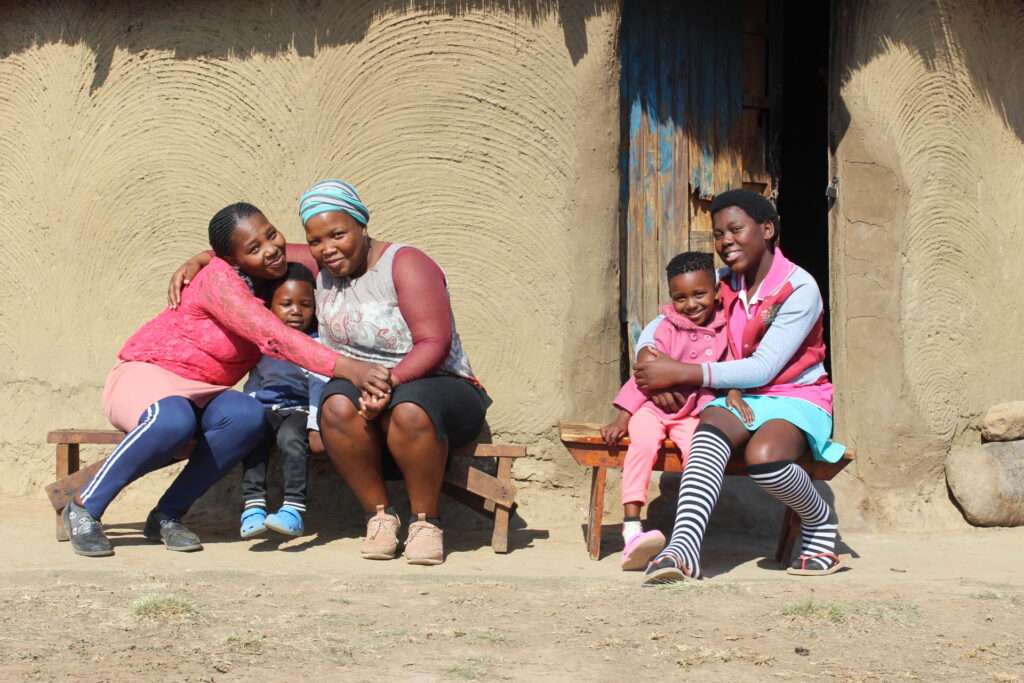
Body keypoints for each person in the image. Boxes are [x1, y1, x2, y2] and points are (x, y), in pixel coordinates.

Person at [63, 203, 355, 558]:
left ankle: (167, 516)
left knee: (249, 417)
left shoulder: (268, 277)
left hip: (204, 392)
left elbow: (308, 251)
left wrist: (201, 255)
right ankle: (83, 506)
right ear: (232, 258)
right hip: (148, 371)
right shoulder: (221, 280)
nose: (271, 248)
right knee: (174, 419)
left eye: (271, 234)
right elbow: (273, 336)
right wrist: (347, 367)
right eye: (253, 248)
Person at [634, 189, 846, 584]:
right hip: (741, 397)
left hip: (796, 396)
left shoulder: (798, 289)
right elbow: (663, 320)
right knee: (708, 432)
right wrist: (648, 353)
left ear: (766, 229)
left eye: (735, 230)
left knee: (765, 457)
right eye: (718, 235)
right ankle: (682, 551)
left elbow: (763, 368)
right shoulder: (722, 282)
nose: (725, 242)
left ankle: (818, 519)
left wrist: (680, 372)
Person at [303, 179, 490, 566]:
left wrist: (390, 382)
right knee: (335, 405)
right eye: (316, 241)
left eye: (338, 234)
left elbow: (433, 343)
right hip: (366, 388)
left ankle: (426, 523)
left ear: (361, 224)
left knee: (408, 408)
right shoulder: (320, 269)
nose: (327, 249)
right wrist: (203, 260)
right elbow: (257, 253)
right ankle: (380, 517)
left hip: (439, 385)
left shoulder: (405, 263)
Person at [600, 252, 735, 571]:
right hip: (651, 409)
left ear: (716, 292)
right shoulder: (664, 329)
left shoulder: (727, 330)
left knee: (698, 454)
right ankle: (632, 528)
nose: (691, 304)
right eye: (680, 297)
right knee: (641, 447)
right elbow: (642, 378)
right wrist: (623, 417)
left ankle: (687, 535)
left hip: (692, 414)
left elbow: (732, 371)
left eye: (699, 294)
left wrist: (733, 397)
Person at [239, 263, 328, 539]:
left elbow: (317, 387)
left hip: (300, 409)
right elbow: (255, 380)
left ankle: (292, 510)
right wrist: (248, 410)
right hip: (267, 408)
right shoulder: (265, 344)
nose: (296, 311)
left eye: (305, 304)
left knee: (291, 438)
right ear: (270, 307)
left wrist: (315, 426)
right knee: (252, 435)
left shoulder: (315, 344)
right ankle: (253, 507)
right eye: (286, 303)